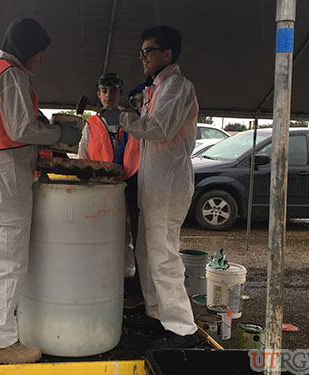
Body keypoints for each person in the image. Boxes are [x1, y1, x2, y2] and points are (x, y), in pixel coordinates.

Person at [0, 18, 81, 364]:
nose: (41, 60)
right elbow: (19, 128)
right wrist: (59, 135)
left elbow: (17, 123)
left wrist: (46, 128)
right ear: (27, 49)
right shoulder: (10, 75)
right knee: (6, 257)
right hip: (3, 172)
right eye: (40, 54)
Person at [118, 25, 201, 347]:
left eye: (148, 51)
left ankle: (183, 328)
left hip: (169, 182)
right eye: (141, 52)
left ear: (167, 54)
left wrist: (122, 118)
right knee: (146, 251)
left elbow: (161, 129)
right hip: (153, 180)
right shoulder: (156, 88)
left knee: (163, 253)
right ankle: (156, 312)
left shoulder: (178, 85)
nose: (142, 58)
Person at [77, 73, 143, 309]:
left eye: (113, 91)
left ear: (120, 94)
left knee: (132, 237)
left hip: (132, 186)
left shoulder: (133, 121)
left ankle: (130, 286)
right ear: (99, 94)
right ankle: (101, 282)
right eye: (104, 91)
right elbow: (83, 159)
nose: (108, 95)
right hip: (101, 190)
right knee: (101, 237)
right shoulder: (91, 125)